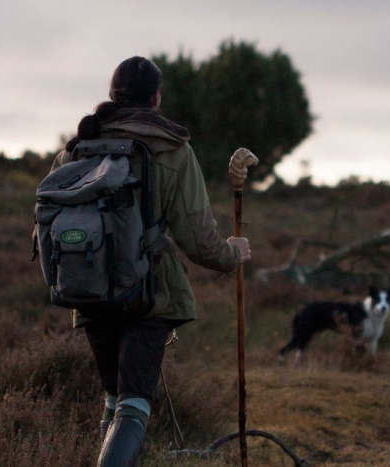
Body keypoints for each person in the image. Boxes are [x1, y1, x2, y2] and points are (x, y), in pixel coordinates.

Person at [49, 56, 251, 466]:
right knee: (135, 401)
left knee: (114, 398)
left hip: (87, 287)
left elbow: (45, 224)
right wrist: (234, 253)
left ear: (113, 94)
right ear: (157, 97)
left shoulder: (77, 148)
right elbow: (198, 240)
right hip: (147, 294)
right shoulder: (173, 149)